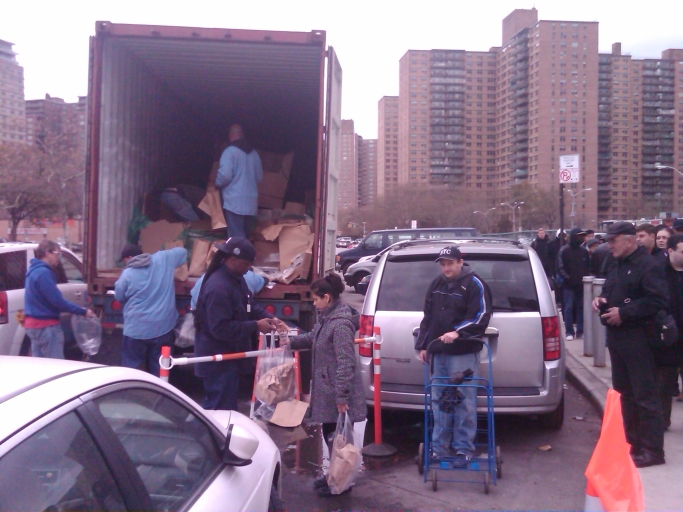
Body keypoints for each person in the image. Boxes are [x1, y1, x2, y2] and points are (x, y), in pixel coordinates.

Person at [592, 222, 668, 468]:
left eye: (613, 240)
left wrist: (625, 312)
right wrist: (601, 299)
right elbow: (608, 289)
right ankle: (632, 444)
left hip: (639, 336)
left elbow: (657, 300)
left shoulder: (648, 265)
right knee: (625, 395)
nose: (609, 245)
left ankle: (652, 450)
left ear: (629, 240)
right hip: (617, 338)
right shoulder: (616, 263)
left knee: (645, 395)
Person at [285, 273, 366, 497]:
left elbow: (345, 363)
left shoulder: (340, 325)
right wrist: (289, 341)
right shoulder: (327, 318)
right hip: (328, 389)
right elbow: (313, 338)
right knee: (332, 436)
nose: (313, 303)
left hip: (336, 392)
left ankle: (342, 482)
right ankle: (334, 474)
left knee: (338, 439)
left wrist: (342, 397)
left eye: (315, 299)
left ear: (327, 298)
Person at [415, 246, 492, 468]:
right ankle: (439, 449)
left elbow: (481, 315)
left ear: (460, 262)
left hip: (463, 354)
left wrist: (458, 332)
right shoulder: (436, 285)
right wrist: (423, 345)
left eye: (450, 263)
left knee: (463, 402)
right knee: (439, 401)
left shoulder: (475, 284)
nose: (446, 268)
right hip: (439, 353)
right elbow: (427, 317)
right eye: (443, 264)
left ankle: (463, 449)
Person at [194, 237, 284, 411]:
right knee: (219, 408)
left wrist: (271, 318)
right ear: (233, 260)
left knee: (226, 405)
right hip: (218, 360)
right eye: (245, 264)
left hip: (230, 356)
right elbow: (220, 328)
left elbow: (250, 304)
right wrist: (256, 326)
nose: (248, 269)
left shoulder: (237, 279)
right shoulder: (218, 288)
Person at [114, 244, 187, 376]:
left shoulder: (127, 274)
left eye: (124, 260)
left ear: (129, 257)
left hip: (136, 330)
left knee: (132, 369)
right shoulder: (163, 259)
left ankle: (133, 393)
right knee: (161, 367)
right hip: (162, 328)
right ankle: (159, 391)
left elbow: (119, 296)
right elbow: (183, 252)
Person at [23, 240, 95, 359]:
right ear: (47, 253)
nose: (58, 257)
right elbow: (58, 302)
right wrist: (83, 311)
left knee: (39, 366)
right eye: (57, 253)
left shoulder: (32, 271)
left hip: (33, 326)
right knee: (55, 366)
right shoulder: (44, 273)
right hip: (46, 327)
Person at [653, 234, 683, 429]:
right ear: (670, 251)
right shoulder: (659, 273)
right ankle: (662, 420)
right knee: (665, 381)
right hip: (669, 336)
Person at [215, 124, 263, 238]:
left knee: (236, 240)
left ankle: (238, 256)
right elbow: (259, 177)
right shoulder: (254, 154)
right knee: (247, 237)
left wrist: (217, 184)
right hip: (251, 203)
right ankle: (246, 255)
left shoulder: (229, 152)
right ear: (242, 135)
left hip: (234, 203)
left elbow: (225, 175)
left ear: (231, 135)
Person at [557, 228, 590, 340]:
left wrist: (585, 279)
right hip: (568, 285)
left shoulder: (584, 251)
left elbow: (587, 267)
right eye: (579, 236)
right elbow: (560, 267)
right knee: (568, 308)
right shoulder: (564, 251)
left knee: (581, 308)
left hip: (581, 285)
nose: (581, 238)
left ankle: (580, 331)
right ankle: (569, 332)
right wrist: (567, 278)